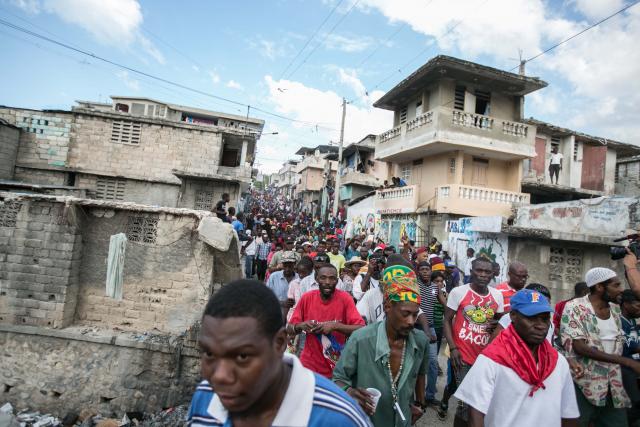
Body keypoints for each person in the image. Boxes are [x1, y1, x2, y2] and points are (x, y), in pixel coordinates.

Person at [187, 279, 372, 427]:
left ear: (279, 344)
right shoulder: (206, 396)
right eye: (209, 354)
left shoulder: (340, 418)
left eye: (242, 357)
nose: (220, 377)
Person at [455, 289, 580, 427]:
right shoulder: (491, 360)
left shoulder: (558, 362)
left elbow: (569, 414)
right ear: (513, 316)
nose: (540, 326)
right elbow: (475, 415)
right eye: (531, 318)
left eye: (545, 319)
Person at [333, 265, 429, 427]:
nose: (411, 322)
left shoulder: (420, 341)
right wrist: (350, 392)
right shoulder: (361, 339)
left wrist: (420, 404)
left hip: (402, 420)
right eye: (405, 314)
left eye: (415, 314)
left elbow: (420, 373)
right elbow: (338, 379)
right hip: (366, 421)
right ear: (388, 307)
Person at [560, 267, 640, 426]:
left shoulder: (616, 311)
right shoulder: (575, 307)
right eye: (616, 285)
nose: (621, 290)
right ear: (599, 287)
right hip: (583, 383)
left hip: (613, 385)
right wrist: (626, 361)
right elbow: (579, 347)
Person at [443, 257, 504, 427]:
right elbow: (447, 320)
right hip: (461, 357)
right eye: (479, 270)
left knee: (478, 403)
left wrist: (495, 324)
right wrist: (453, 348)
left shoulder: (497, 296)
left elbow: (499, 323)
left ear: (493, 274)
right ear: (471, 271)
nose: (483, 275)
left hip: (485, 359)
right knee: (465, 405)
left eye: (487, 272)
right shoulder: (458, 292)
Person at [287, 264, 365, 378]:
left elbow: (361, 329)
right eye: (323, 278)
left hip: (336, 366)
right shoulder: (307, 298)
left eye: (332, 278)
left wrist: (335, 326)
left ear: (337, 281)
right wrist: (301, 325)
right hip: (309, 365)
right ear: (317, 279)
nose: (327, 282)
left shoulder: (345, 299)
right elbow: (290, 328)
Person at [416, 261, 440, 406]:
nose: (425, 272)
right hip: (415, 328)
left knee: (432, 363)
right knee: (415, 363)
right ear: (418, 272)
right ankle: (415, 397)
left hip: (430, 328)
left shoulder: (435, 288)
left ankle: (430, 395)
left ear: (431, 271)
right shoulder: (415, 286)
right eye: (422, 269)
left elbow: (444, 302)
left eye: (427, 269)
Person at [620, 289, 640, 422]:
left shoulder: (632, 322)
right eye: (638, 305)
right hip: (625, 369)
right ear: (626, 304)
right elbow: (628, 344)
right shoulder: (618, 322)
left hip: (635, 369)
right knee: (633, 404)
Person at [266, 251, 299, 319]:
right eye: (285, 266)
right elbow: (266, 296)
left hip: (295, 316)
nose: (287, 269)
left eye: (290, 266)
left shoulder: (299, 278)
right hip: (276, 315)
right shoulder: (274, 277)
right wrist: (282, 303)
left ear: (294, 264)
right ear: (282, 264)